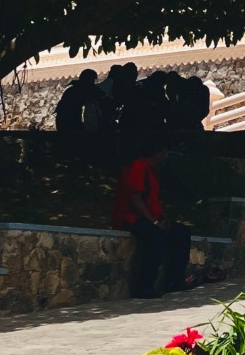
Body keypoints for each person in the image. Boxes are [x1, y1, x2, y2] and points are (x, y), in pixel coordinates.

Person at [112, 138, 192, 298]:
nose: (165, 156)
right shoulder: (138, 167)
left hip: (149, 217)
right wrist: (155, 222)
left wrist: (161, 219)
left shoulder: (150, 171)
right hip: (131, 218)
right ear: (156, 153)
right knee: (156, 238)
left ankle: (174, 280)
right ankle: (144, 286)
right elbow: (136, 199)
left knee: (181, 233)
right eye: (164, 153)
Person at [54, 69, 107, 133]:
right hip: (70, 121)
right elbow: (99, 95)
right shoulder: (83, 88)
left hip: (64, 121)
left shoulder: (72, 89)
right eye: (92, 80)